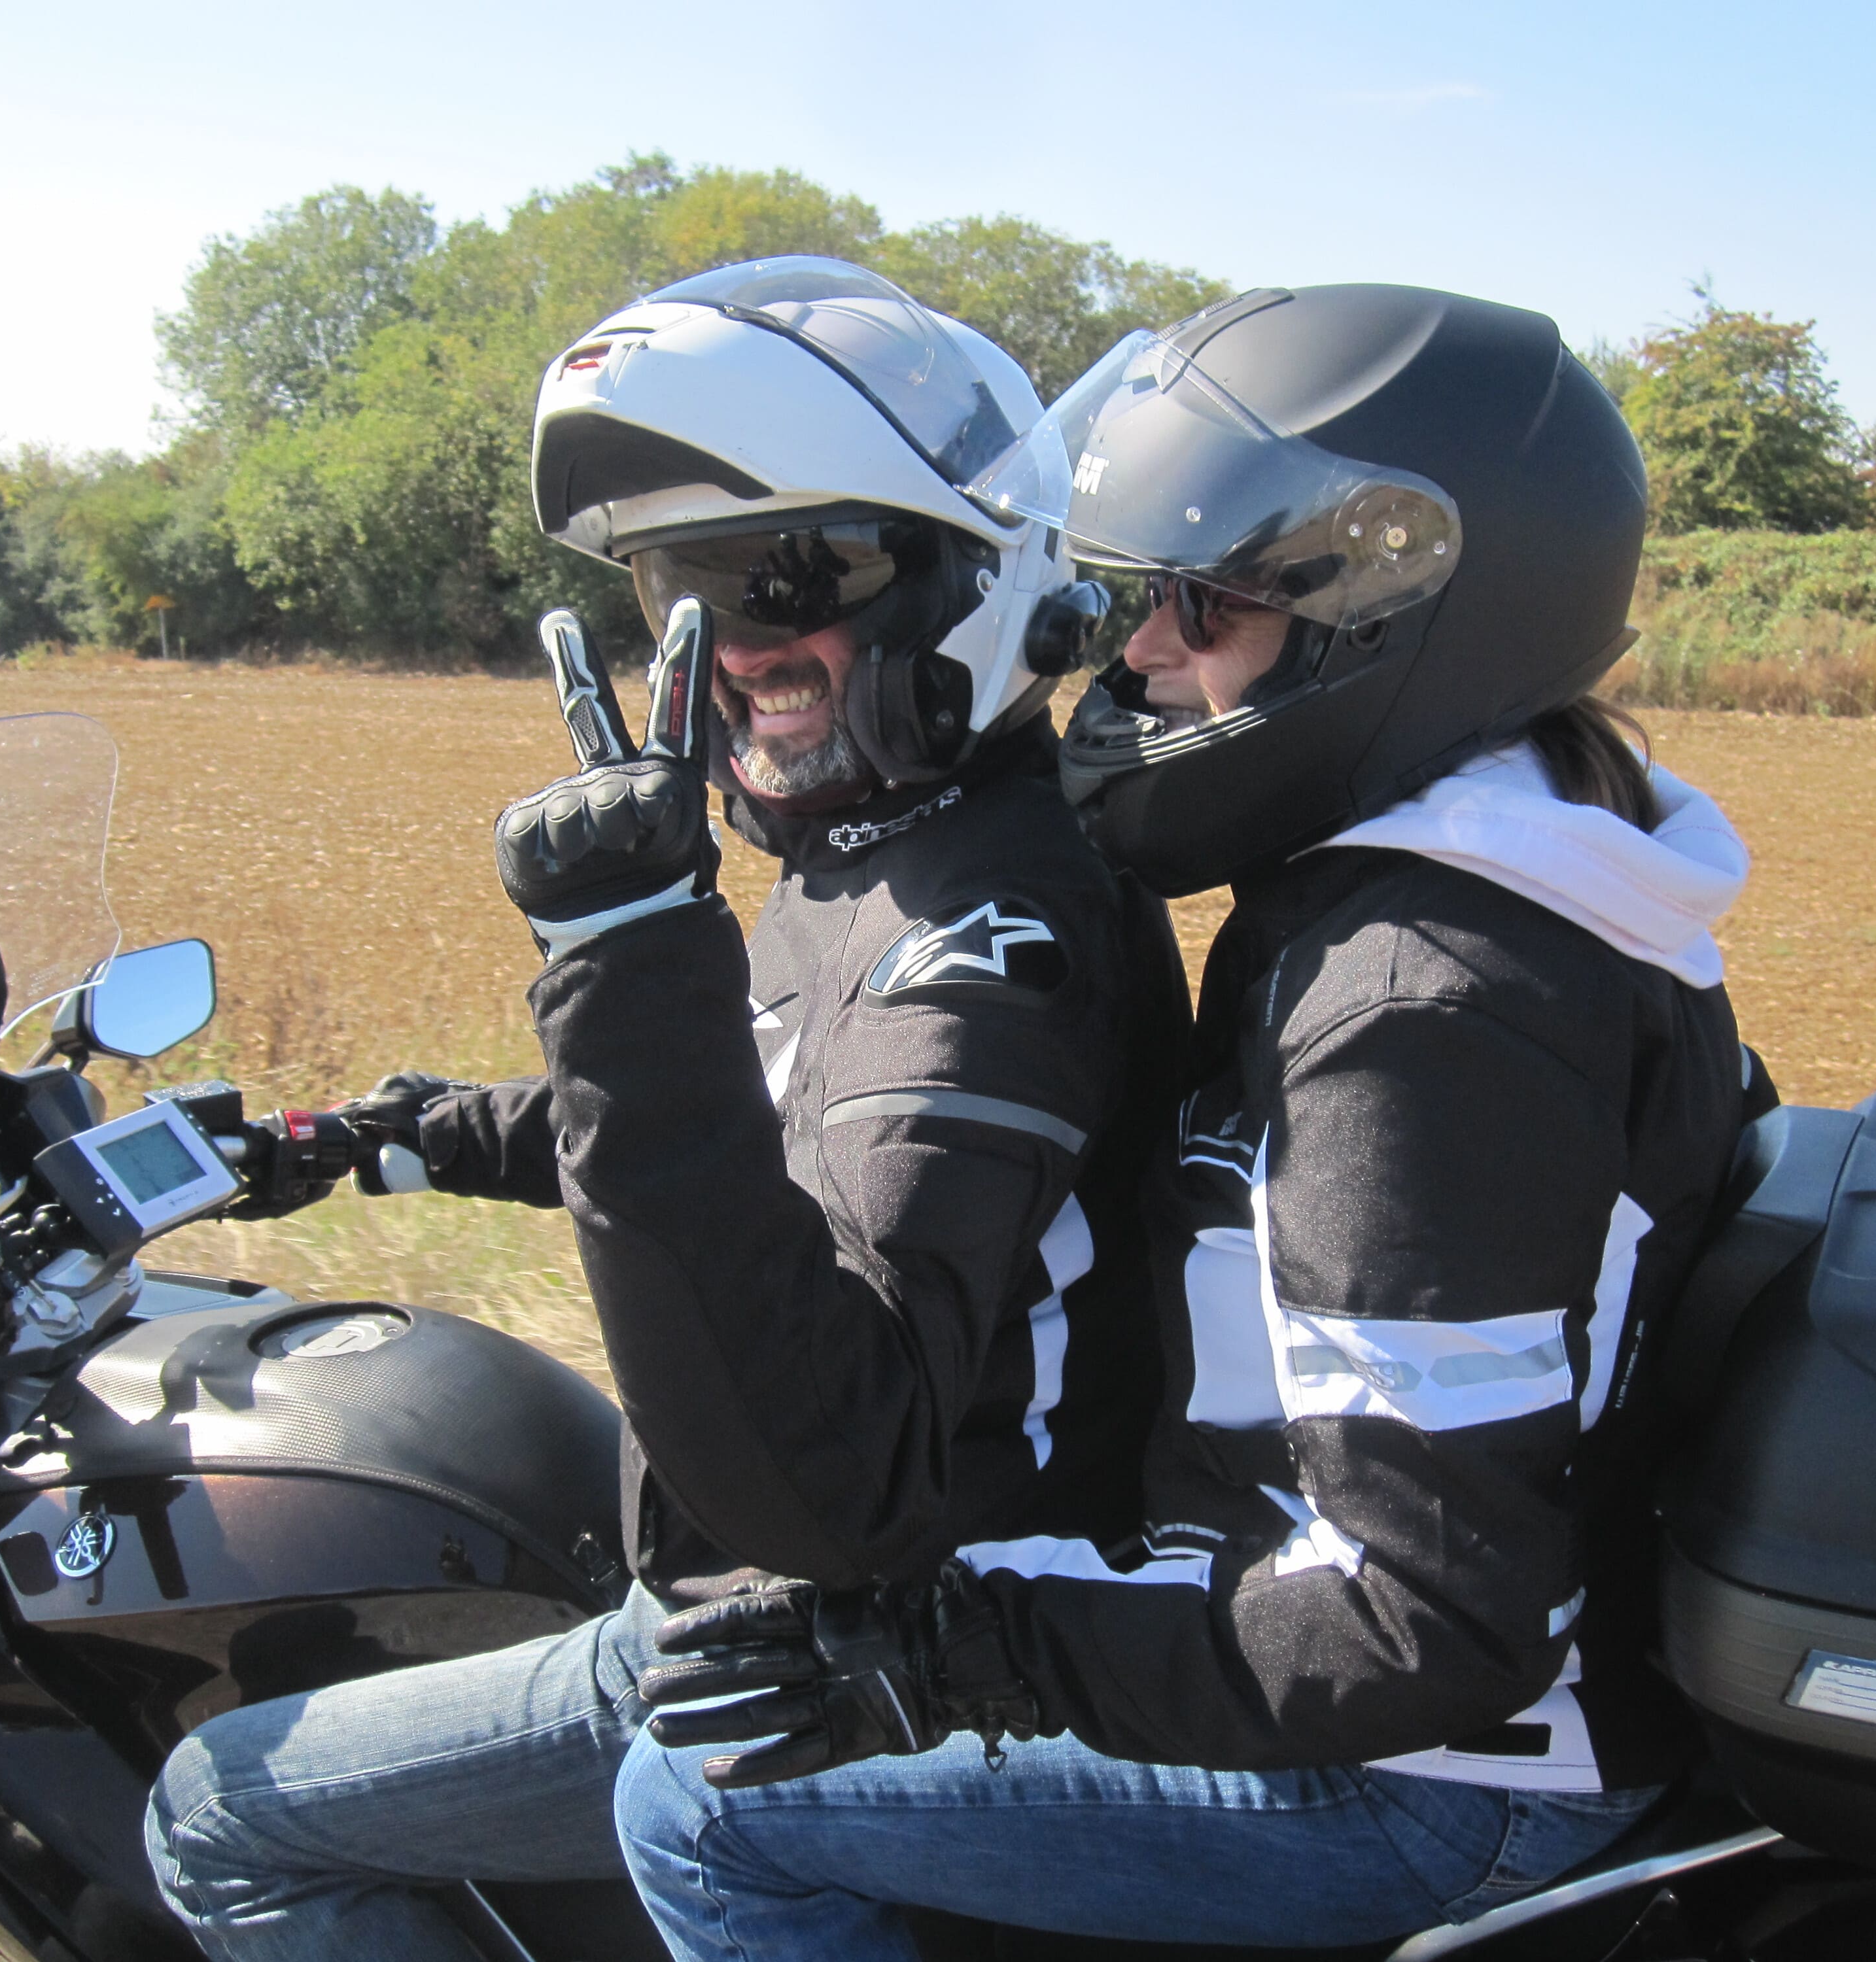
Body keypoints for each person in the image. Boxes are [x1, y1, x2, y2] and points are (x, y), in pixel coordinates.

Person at [612, 283, 1760, 1959]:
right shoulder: (1506, 881)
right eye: (1145, 595)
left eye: (1204, 606)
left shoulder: (1414, 1016)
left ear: (1399, 616)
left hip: (1426, 1778)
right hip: (1333, 1665)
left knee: (698, 1802)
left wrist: (957, 1653)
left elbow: (1425, 1619)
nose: (1136, 653)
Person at [144, 258, 1186, 1960]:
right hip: (782, 1606)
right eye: (681, 584)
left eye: (794, 573)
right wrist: (385, 1136)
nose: (740, 642)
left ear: (977, 579)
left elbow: (833, 1471)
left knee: (219, 1810)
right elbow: (742, 1122)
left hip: (844, 1654)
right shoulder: (879, 857)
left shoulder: (993, 934)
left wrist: (624, 958)